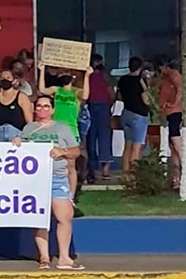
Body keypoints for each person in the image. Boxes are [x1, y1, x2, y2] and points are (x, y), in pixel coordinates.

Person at [12, 95, 84, 271]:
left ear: (52, 110)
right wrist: (17, 142)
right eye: (39, 106)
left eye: (46, 106)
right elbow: (21, 151)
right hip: (35, 180)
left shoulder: (62, 128)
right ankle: (44, 257)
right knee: (40, 219)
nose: (42, 109)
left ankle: (64, 257)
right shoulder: (29, 129)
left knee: (64, 217)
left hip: (57, 177)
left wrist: (62, 151)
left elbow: (76, 151)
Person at [39, 62, 93, 197]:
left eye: (66, 73)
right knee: (54, 164)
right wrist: (42, 70)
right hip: (55, 130)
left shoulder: (76, 92)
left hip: (71, 131)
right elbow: (42, 90)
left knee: (70, 165)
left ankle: (71, 196)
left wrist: (87, 76)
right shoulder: (56, 90)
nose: (64, 76)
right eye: (61, 73)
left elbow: (86, 96)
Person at [116, 57, 150, 175]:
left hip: (126, 113)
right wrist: (146, 87)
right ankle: (133, 176)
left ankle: (125, 174)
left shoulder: (123, 79)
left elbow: (119, 96)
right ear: (140, 68)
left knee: (127, 146)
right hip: (139, 115)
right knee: (137, 147)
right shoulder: (140, 81)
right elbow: (146, 100)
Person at [85, 54, 114, 183]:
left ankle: (95, 171)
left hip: (96, 106)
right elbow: (111, 93)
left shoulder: (94, 76)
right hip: (99, 106)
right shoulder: (99, 76)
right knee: (100, 139)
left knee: (94, 138)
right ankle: (101, 171)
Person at [157, 56, 183, 188]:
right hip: (169, 113)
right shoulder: (166, 78)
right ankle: (176, 177)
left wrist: (174, 103)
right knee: (172, 145)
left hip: (175, 112)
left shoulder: (174, 75)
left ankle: (185, 163)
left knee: (175, 139)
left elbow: (180, 90)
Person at [0, 70, 33, 142]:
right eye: (2, 78)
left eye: (8, 77)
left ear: (13, 80)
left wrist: (26, 136)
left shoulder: (22, 97)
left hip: (17, 133)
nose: (5, 80)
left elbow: (29, 120)